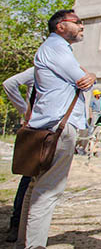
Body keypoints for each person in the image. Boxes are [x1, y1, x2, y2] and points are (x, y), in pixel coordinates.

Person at [16, 10, 97, 248]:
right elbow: (82, 80)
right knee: (48, 191)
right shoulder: (56, 48)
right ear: (60, 26)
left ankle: (24, 242)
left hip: (47, 126)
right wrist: (90, 76)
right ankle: (34, 245)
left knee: (35, 188)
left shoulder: (53, 49)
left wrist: (90, 75)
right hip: (58, 128)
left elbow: (84, 78)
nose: (82, 26)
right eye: (77, 22)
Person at [2, 67, 34, 243]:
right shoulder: (38, 69)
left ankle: (27, 226)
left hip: (51, 130)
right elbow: (9, 84)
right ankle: (16, 224)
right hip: (34, 129)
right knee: (28, 178)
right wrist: (25, 111)